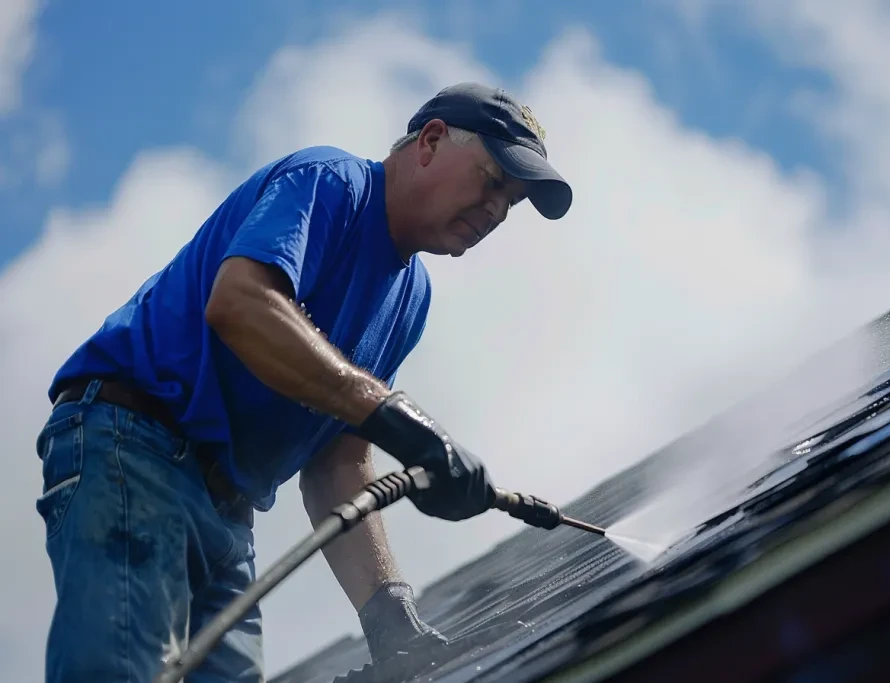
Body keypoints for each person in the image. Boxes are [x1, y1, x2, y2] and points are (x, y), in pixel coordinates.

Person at [33, 81, 572, 683]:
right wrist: (398, 418)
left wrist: (390, 613)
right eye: (493, 182)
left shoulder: (410, 297)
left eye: (512, 204)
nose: (497, 212)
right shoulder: (331, 183)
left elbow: (338, 465)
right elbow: (241, 303)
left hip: (228, 512)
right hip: (134, 447)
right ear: (431, 141)